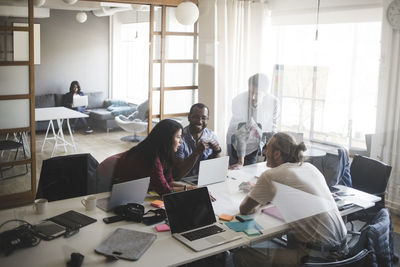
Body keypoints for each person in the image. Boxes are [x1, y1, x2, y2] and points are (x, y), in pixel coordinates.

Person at [233, 132, 348, 266]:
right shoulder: (310, 168)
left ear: (277, 153)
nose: (264, 151)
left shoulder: (271, 175)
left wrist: (260, 200)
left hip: (317, 258)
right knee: (292, 236)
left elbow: (245, 209)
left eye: (267, 148)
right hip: (344, 249)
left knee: (241, 255)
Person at [112, 119, 195, 196]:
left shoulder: (164, 154)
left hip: (130, 187)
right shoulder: (151, 156)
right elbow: (165, 191)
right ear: (167, 138)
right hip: (107, 178)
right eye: (178, 137)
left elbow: (168, 181)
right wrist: (188, 188)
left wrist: (189, 188)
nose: (181, 141)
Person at [227, 73, 279, 169]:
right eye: (251, 92)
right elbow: (241, 134)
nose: (253, 97)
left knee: (254, 173)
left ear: (265, 92)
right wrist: (240, 161)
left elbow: (273, 128)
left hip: (258, 140)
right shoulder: (238, 101)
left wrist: (270, 151)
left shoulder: (273, 102)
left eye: (257, 93)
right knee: (238, 171)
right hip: (237, 141)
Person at [175, 103, 222, 178]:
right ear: (189, 117)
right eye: (196, 117)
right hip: (184, 182)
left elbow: (217, 168)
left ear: (208, 119)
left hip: (206, 179)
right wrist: (196, 153)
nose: (199, 121)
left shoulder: (212, 135)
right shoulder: (180, 138)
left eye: (203, 118)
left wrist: (217, 151)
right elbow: (178, 173)